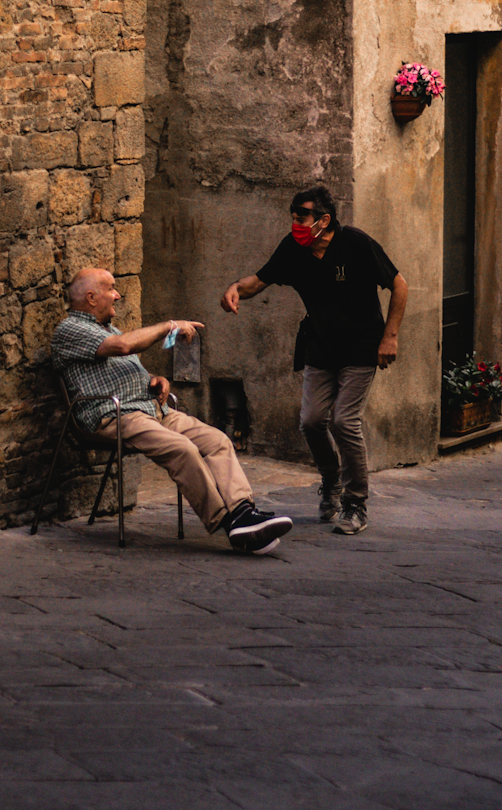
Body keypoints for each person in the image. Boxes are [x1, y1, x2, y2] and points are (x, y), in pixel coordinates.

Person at [52, 269, 292, 555]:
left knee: (216, 440)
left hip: (154, 409)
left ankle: (243, 511)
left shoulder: (110, 329)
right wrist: (170, 326)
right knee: (182, 448)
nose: (117, 294)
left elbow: (119, 363)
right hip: (117, 415)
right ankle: (228, 522)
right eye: (111, 289)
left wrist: (153, 379)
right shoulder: (70, 330)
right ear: (91, 298)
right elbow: (123, 346)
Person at [221, 185, 408, 536]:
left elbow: (399, 285)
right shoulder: (293, 249)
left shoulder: (355, 243)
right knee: (311, 420)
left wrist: (390, 336)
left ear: (324, 219)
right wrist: (234, 288)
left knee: (344, 421)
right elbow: (257, 282)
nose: (295, 223)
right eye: (293, 217)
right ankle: (331, 482)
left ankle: (356, 503)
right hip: (320, 346)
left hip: (360, 347)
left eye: (302, 217)